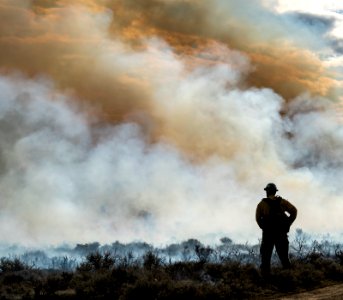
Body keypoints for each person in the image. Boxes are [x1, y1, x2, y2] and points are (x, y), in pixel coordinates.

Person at [255, 183, 297, 278]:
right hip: (281, 233)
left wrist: (264, 227)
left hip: (268, 234)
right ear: (275, 191)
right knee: (284, 258)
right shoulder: (282, 202)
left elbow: (258, 219)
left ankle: (266, 280)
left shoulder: (261, 204)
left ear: (267, 192)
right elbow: (294, 211)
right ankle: (289, 279)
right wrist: (288, 223)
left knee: (265, 258)